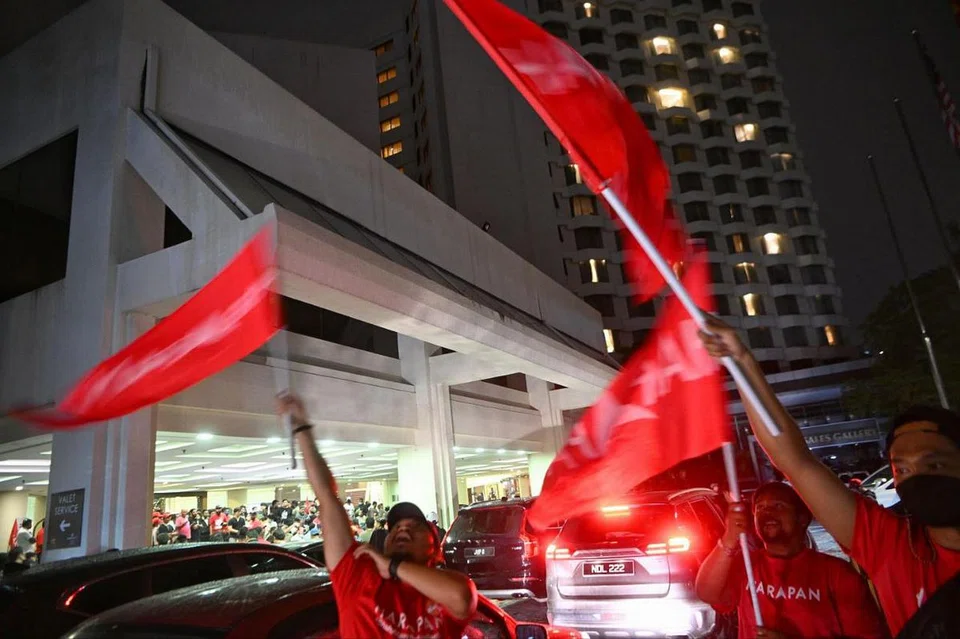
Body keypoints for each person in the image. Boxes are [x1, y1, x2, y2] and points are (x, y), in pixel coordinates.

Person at [700, 318, 960, 636]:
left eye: (933, 465)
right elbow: (794, 461)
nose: (916, 477)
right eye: (901, 470)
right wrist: (741, 361)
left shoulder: (838, 572)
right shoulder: (892, 545)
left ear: (803, 517)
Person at [278, 393, 476, 637]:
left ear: (434, 546)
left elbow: (462, 597)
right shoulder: (358, 574)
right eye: (396, 528)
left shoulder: (446, 587)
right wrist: (302, 428)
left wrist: (392, 566)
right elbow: (327, 497)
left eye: (414, 526)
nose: (402, 529)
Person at [696, 482, 887, 638]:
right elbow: (707, 593)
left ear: (802, 518)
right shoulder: (746, 564)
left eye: (778, 506)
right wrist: (729, 538)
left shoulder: (836, 573)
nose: (767, 513)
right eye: (760, 508)